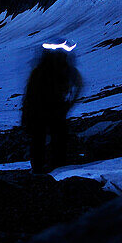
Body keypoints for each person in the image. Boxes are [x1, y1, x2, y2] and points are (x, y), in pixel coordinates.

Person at [21, 40, 82, 173]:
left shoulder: (39, 70)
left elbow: (30, 93)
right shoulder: (66, 69)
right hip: (57, 108)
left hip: (39, 109)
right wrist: (69, 103)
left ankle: (38, 168)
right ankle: (58, 165)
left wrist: (26, 114)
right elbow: (79, 84)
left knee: (39, 139)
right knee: (58, 137)